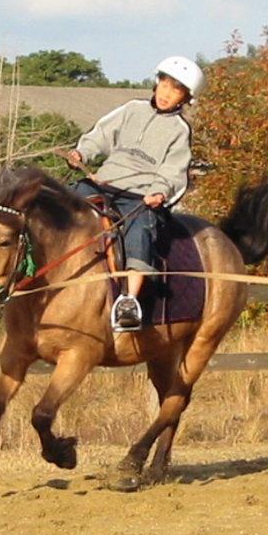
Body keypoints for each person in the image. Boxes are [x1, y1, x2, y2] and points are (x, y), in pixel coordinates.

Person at [65, 55, 204, 332]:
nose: (167, 93)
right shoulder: (131, 109)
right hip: (103, 183)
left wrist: (158, 193)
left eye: (176, 90)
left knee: (138, 232)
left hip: (139, 197)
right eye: (165, 85)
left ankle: (128, 302)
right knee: (58, 208)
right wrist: (83, 152)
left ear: (185, 98)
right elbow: (101, 135)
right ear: (156, 83)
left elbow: (173, 171)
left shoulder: (180, 130)